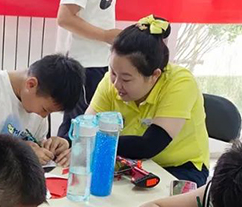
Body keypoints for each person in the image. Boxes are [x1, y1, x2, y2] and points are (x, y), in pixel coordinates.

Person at [87, 14, 210, 187]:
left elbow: (150, 145)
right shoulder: (111, 81)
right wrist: (67, 142)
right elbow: (88, 125)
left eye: (126, 79)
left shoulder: (181, 83)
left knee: (149, 202)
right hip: (132, 163)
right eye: (113, 72)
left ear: (154, 76)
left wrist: (93, 140)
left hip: (180, 168)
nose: (116, 84)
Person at [0, 54, 85, 167]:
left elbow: (35, 145)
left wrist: (50, 148)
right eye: (45, 109)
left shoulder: (36, 104)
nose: (44, 116)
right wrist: (21, 152)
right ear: (31, 84)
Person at [56, 0, 120, 138]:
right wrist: (105, 35)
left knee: (84, 128)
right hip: (84, 64)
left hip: (100, 61)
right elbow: (65, 18)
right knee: (81, 129)